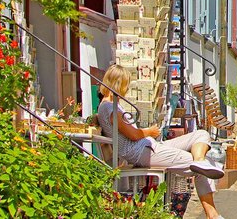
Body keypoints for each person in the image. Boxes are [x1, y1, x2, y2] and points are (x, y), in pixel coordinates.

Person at [96, 64, 225, 219]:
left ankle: (200, 160)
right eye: (126, 84)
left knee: (201, 135)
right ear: (119, 83)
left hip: (148, 146)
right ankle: (212, 214)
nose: (127, 88)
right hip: (141, 151)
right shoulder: (110, 108)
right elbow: (134, 135)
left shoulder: (111, 105)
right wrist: (150, 131)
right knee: (199, 168)